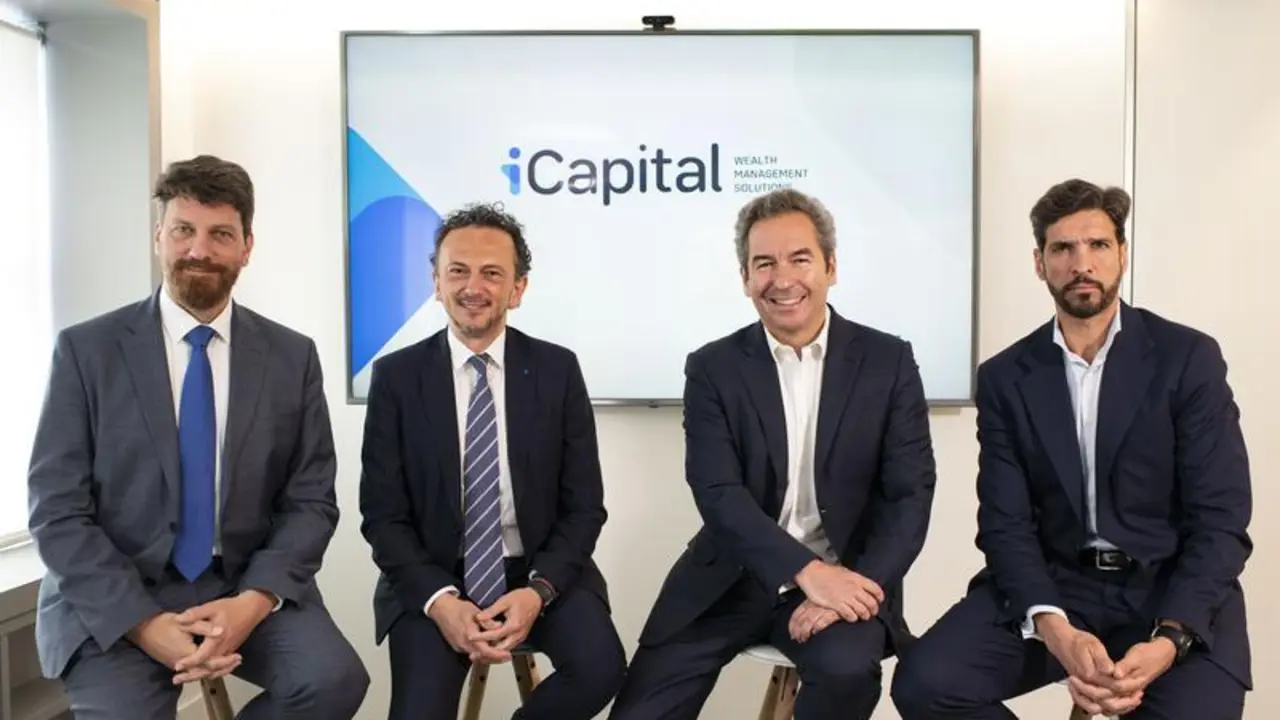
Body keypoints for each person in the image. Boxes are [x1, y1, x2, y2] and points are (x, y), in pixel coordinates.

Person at [891, 179, 1252, 719]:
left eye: (1098, 245)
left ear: (1122, 254)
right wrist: (1054, 629)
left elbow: (1221, 520)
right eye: (1063, 248)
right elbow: (1006, 525)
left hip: (1166, 589)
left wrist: (1169, 639)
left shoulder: (1187, 359)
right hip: (1059, 586)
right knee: (926, 683)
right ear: (1040, 263)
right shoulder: (1005, 378)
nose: (1082, 263)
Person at [27, 155, 369, 719]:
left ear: (247, 246)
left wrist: (252, 602)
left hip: (240, 582)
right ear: (158, 236)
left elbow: (311, 502)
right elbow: (57, 510)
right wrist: (142, 623)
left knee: (332, 682)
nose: (199, 250)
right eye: (183, 230)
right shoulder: (87, 352)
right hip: (118, 590)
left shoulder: (292, 357)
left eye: (220, 234)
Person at [609, 188, 938, 720]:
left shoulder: (888, 361)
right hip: (728, 579)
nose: (782, 280)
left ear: (831, 267)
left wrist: (852, 586)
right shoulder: (713, 367)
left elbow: (910, 495)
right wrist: (805, 571)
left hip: (846, 575)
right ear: (745, 278)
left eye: (799, 259)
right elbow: (717, 491)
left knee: (848, 672)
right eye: (764, 264)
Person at [358, 202, 627, 720]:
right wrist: (440, 601)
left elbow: (584, 508)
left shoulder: (557, 370)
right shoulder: (397, 378)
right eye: (457, 271)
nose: (472, 287)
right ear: (436, 283)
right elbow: (383, 517)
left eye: (492, 273)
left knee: (600, 668)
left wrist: (538, 592)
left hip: (538, 568)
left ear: (517, 289)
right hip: (434, 574)